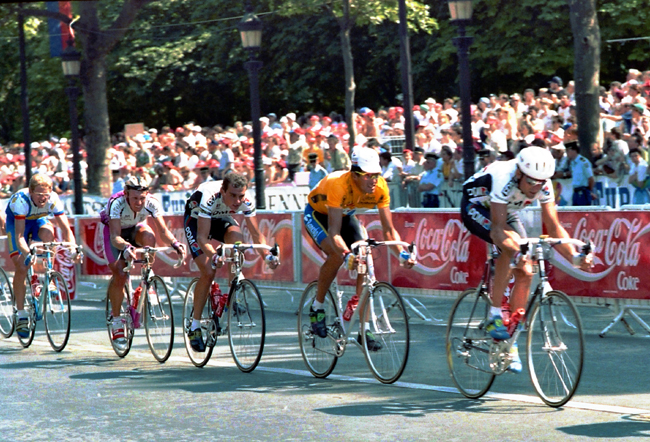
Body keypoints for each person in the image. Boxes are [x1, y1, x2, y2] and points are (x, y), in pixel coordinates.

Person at [460, 146, 592, 373]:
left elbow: (553, 226)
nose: (536, 188)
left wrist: (575, 258)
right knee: (510, 247)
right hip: (477, 206)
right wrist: (518, 250)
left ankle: (511, 341)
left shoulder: (543, 182)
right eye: (531, 182)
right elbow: (499, 230)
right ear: (519, 174)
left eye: (540, 183)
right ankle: (493, 315)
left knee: (527, 270)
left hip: (506, 208)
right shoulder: (503, 176)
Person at [303, 148, 415, 350]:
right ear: (354, 175)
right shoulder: (339, 184)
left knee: (363, 255)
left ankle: (364, 330)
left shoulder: (380, 187)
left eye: (376, 174)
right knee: (337, 256)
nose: (373, 180)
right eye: (368, 175)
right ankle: (317, 307)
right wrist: (346, 255)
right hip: (319, 215)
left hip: (346, 216)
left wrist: (403, 254)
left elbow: (389, 231)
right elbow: (334, 233)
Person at [183, 173, 279, 352]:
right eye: (233, 195)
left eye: (240, 196)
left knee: (237, 241)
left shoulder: (246, 201)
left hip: (221, 218)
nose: (237, 200)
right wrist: (214, 255)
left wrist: (267, 257)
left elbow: (257, 235)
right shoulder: (209, 197)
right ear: (223, 191)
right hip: (197, 221)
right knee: (209, 270)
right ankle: (195, 326)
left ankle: (232, 292)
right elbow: (203, 238)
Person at [100, 176, 186, 344]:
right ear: (126, 195)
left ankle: (147, 274)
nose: (139, 202)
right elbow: (115, 236)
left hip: (134, 229)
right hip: (115, 233)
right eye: (135, 198)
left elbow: (163, 231)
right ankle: (117, 321)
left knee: (149, 236)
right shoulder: (116, 203)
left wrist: (175, 244)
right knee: (120, 274)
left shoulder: (152, 202)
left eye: (142, 198)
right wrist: (126, 248)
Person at [6, 174, 78, 338]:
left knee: (48, 234)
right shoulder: (21, 202)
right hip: (18, 224)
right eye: (38, 195)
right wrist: (28, 253)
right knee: (22, 266)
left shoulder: (53, 199)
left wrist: (73, 250)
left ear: (51, 191)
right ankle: (21, 313)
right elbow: (19, 237)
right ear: (30, 192)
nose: (42, 198)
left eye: (45, 194)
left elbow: (66, 229)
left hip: (38, 220)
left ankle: (49, 273)